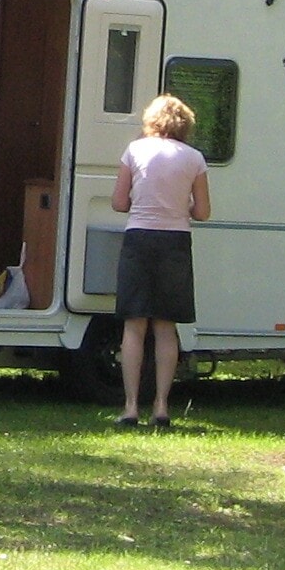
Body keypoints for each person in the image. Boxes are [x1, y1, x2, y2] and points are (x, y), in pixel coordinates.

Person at [111, 93, 211, 428]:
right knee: (166, 327)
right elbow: (203, 212)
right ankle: (162, 407)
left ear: (151, 121)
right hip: (175, 242)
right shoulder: (194, 158)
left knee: (134, 325)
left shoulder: (135, 150)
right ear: (185, 125)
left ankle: (129, 407)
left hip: (139, 238)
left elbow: (118, 203)